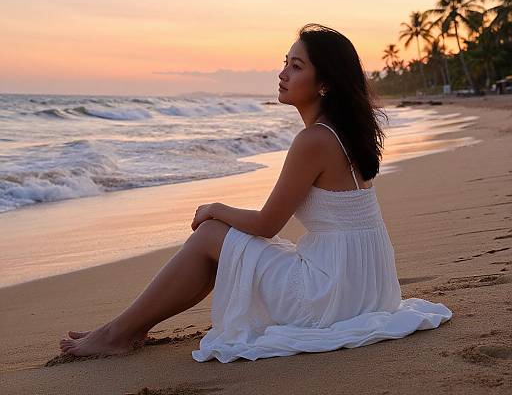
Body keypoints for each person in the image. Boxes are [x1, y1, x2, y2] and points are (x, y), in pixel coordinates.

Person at [60, 23, 452, 362]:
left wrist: (215, 207)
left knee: (212, 234)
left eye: (296, 66)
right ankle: (126, 329)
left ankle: (118, 334)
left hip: (329, 296)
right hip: (362, 286)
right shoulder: (346, 132)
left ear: (325, 83)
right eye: (285, 62)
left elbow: (266, 224)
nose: (282, 73)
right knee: (224, 242)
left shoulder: (314, 139)